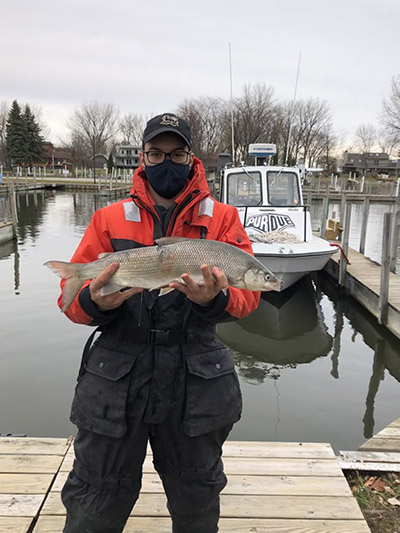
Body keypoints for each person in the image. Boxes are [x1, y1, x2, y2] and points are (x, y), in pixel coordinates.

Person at [59, 112, 260, 533]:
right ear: (142, 157)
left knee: (197, 497)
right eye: (156, 153)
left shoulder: (222, 218)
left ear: (192, 157)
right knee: (95, 498)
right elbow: (70, 303)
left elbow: (247, 299)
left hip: (196, 373)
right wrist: (95, 301)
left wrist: (214, 300)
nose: (166, 162)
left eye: (176, 153)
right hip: (116, 373)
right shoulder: (108, 219)